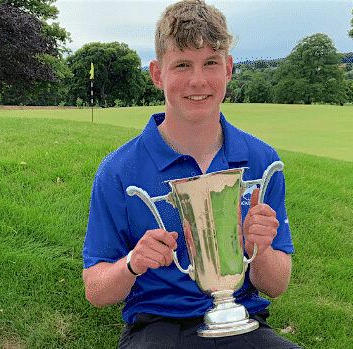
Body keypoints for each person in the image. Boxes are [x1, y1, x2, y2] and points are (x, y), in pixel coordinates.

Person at [82, 1, 301, 348]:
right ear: (157, 74)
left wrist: (256, 246)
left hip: (242, 322)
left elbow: (276, 285)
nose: (198, 80)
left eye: (210, 62)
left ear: (228, 69)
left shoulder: (261, 160)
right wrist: (132, 263)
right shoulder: (118, 171)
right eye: (182, 64)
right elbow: (95, 289)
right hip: (158, 327)